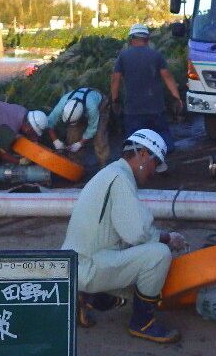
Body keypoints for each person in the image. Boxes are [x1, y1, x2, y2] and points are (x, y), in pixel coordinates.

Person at [60, 129, 188, 343]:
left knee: (135, 284)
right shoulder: (120, 178)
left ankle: (87, 297)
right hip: (88, 266)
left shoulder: (112, 172)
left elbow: (127, 232)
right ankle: (142, 323)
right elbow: (137, 232)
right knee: (158, 255)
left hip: (75, 264)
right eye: (155, 164)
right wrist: (168, 238)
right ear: (143, 154)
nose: (153, 172)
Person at [111, 24, 182, 148]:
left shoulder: (123, 56)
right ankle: (162, 162)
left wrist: (115, 100)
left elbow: (115, 80)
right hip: (156, 108)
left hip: (133, 109)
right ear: (147, 39)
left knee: (134, 143)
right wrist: (176, 98)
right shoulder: (156, 55)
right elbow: (167, 77)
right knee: (162, 139)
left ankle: (138, 165)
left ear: (131, 38)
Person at [47, 86, 111, 167]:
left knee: (99, 136)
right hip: (82, 104)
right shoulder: (63, 103)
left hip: (100, 106)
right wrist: (55, 141)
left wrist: (80, 143)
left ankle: (104, 165)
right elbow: (50, 121)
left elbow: (92, 128)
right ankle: (74, 165)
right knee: (73, 135)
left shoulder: (92, 108)